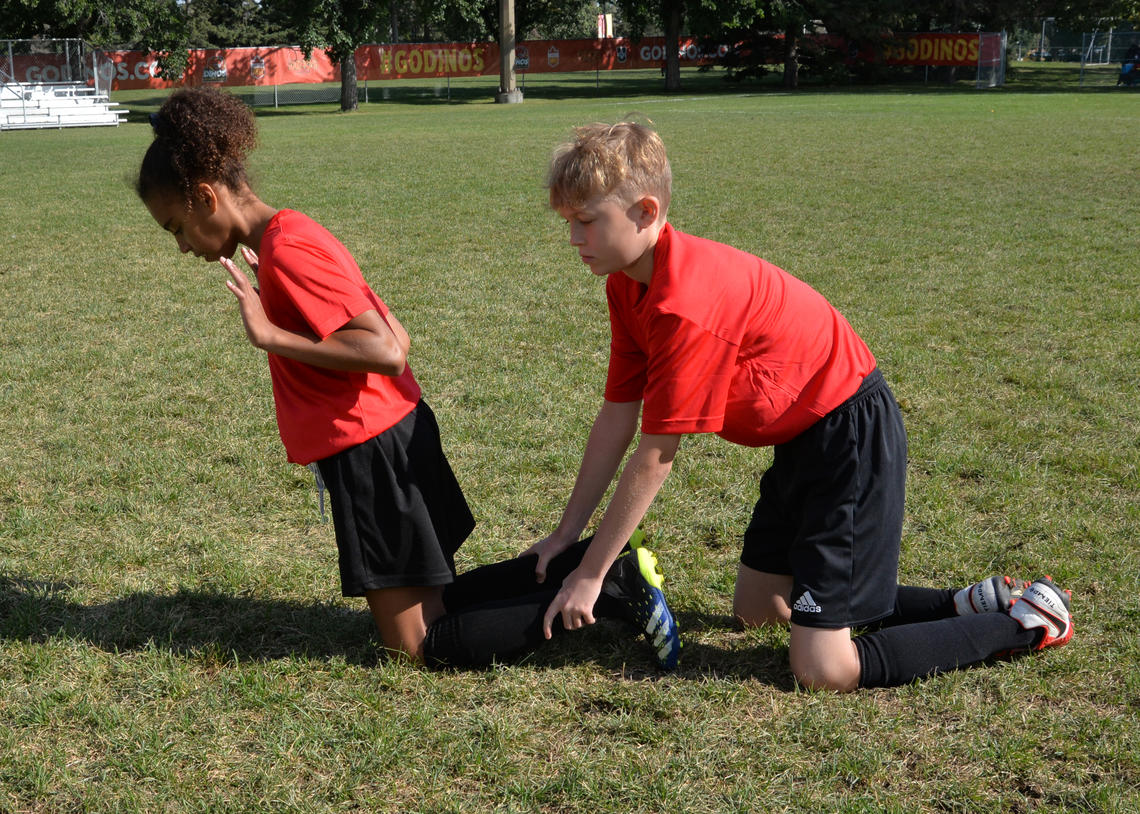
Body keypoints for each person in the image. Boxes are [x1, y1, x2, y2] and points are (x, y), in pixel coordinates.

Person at [135, 89, 681, 670]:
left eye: (177, 227)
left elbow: (388, 350)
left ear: (206, 196)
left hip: (373, 453)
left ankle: (615, 584)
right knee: (439, 605)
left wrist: (272, 335)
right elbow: (394, 329)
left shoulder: (287, 247)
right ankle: (590, 564)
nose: (182, 246)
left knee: (416, 646)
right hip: (390, 438)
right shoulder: (287, 235)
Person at [528, 121, 1073, 690]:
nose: (575, 238)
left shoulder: (685, 302)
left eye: (586, 220)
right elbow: (617, 416)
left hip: (848, 436)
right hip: (801, 439)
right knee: (760, 609)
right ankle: (966, 603)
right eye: (568, 222)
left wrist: (591, 573)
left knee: (822, 668)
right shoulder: (626, 282)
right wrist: (567, 534)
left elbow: (656, 455)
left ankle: (1027, 622)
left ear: (646, 211)